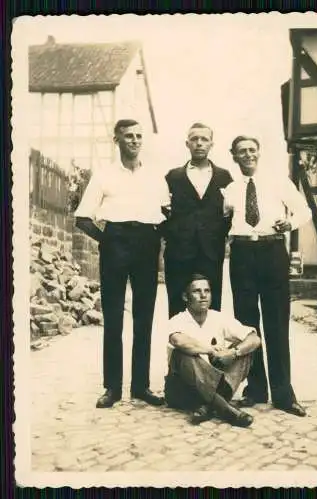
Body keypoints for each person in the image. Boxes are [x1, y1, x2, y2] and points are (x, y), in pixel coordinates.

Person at [74, 119, 167, 408]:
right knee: (113, 318)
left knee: (144, 317)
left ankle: (141, 386)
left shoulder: (155, 176)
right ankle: (112, 387)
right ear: (117, 140)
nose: (135, 140)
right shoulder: (104, 175)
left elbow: (167, 213)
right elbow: (82, 218)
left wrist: (155, 239)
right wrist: (107, 241)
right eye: (129, 136)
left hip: (146, 244)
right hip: (115, 241)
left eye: (139, 136)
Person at [223, 135, 312, 417]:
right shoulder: (229, 189)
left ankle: (284, 394)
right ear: (234, 156)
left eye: (252, 150)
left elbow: (304, 210)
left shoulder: (278, 181)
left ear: (259, 153)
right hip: (241, 255)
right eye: (242, 151)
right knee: (248, 325)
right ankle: (256, 389)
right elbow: (222, 219)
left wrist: (290, 222)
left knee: (276, 322)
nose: (248, 155)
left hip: (272, 251)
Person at [165, 274, 261, 427]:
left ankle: (208, 406)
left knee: (245, 348)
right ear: (185, 296)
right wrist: (210, 350)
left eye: (207, 291)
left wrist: (233, 352)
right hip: (183, 390)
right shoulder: (177, 320)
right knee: (183, 353)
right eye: (197, 291)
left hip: (216, 383)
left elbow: (255, 339)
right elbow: (178, 340)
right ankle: (226, 410)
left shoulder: (219, 318)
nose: (203, 295)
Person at [163, 123, 233, 318]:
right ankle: (181, 348)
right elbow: (161, 213)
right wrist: (174, 236)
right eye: (194, 139)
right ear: (187, 143)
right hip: (178, 254)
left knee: (211, 307)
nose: (199, 143)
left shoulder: (224, 177)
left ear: (212, 144)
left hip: (211, 253)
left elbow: (230, 213)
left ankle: (210, 348)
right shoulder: (173, 176)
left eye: (204, 139)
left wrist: (218, 236)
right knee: (178, 307)